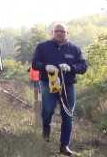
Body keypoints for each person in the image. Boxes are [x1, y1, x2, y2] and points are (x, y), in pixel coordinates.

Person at [32, 22, 88, 156]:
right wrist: (45, 66)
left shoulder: (74, 49)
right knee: (48, 111)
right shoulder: (42, 47)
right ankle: (45, 133)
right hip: (47, 83)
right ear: (52, 32)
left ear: (67, 33)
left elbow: (83, 66)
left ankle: (64, 146)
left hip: (68, 85)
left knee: (68, 114)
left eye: (62, 31)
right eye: (57, 31)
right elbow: (35, 63)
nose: (59, 33)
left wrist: (72, 68)